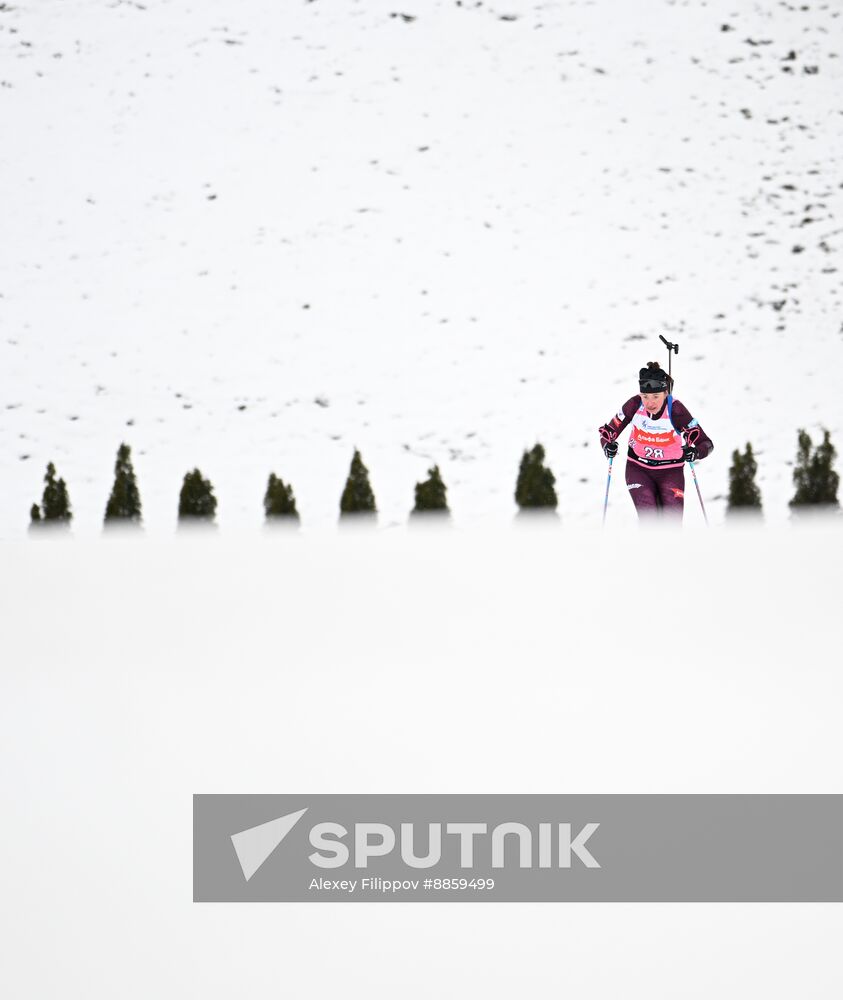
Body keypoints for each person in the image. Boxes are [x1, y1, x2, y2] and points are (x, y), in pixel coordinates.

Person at [598, 361, 713, 519]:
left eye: (655, 397)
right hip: (638, 469)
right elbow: (608, 433)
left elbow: (706, 444)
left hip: (671, 472)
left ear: (665, 393)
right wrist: (607, 446)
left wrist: (695, 453)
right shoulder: (634, 405)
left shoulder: (676, 410)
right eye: (645, 396)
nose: (649, 403)